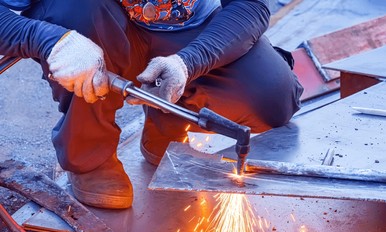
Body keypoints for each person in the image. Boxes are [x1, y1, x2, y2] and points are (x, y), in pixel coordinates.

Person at [0, 0, 303, 209]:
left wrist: (188, 63)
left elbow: (251, 6)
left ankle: (166, 120)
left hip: (185, 27)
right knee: (78, 9)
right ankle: (89, 156)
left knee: (272, 97)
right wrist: (49, 39)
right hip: (92, 26)